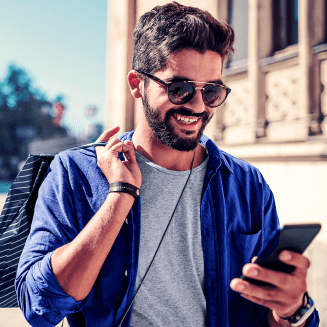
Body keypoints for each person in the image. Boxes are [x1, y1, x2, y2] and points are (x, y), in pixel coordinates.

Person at [16, 2, 319, 327]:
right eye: (179, 88)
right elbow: (40, 307)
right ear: (137, 84)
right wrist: (120, 195)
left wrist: (292, 310)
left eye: (212, 90)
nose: (198, 105)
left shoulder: (246, 183)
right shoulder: (75, 173)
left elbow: (266, 315)